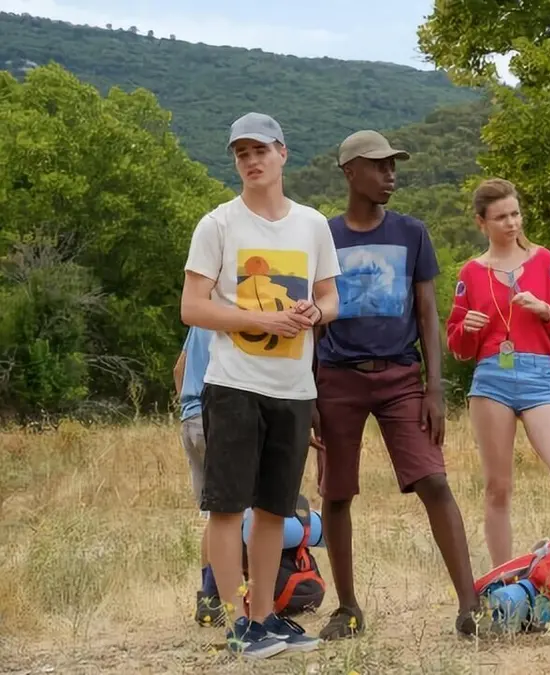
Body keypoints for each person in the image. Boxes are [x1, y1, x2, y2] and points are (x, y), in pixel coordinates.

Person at [181, 112, 341, 659]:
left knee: (275, 509)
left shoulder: (313, 225)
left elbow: (331, 297)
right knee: (228, 508)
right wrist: (262, 320)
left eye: (260, 151)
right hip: (233, 384)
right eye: (241, 154)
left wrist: (314, 312)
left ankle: (265, 618)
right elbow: (192, 307)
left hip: (293, 388)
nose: (251, 161)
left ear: (282, 154)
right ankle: (236, 624)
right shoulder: (218, 224)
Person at [312, 130, 479, 640]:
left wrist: (435, 388)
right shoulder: (323, 236)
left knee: (434, 481)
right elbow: (311, 318)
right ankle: (348, 608)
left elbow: (428, 313)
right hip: (336, 378)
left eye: (393, 165)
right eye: (379, 165)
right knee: (336, 493)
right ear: (350, 172)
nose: (390, 175)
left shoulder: (412, 232)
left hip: (401, 376)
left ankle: (470, 607)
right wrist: (307, 392)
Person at [446, 177, 550, 567]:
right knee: (497, 488)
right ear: (481, 223)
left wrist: (545, 310)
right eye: (501, 217)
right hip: (491, 378)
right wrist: (468, 329)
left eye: (515, 214)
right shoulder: (471, 272)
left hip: (539, 377)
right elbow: (458, 346)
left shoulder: (544, 261)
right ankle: (503, 577)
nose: (512, 223)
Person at [173, 326, 222, 626]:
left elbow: (178, 369)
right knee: (230, 513)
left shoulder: (199, 323)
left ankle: (208, 598)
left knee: (213, 514)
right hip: (213, 417)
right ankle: (217, 595)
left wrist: (186, 404)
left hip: (189, 419)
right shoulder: (230, 316)